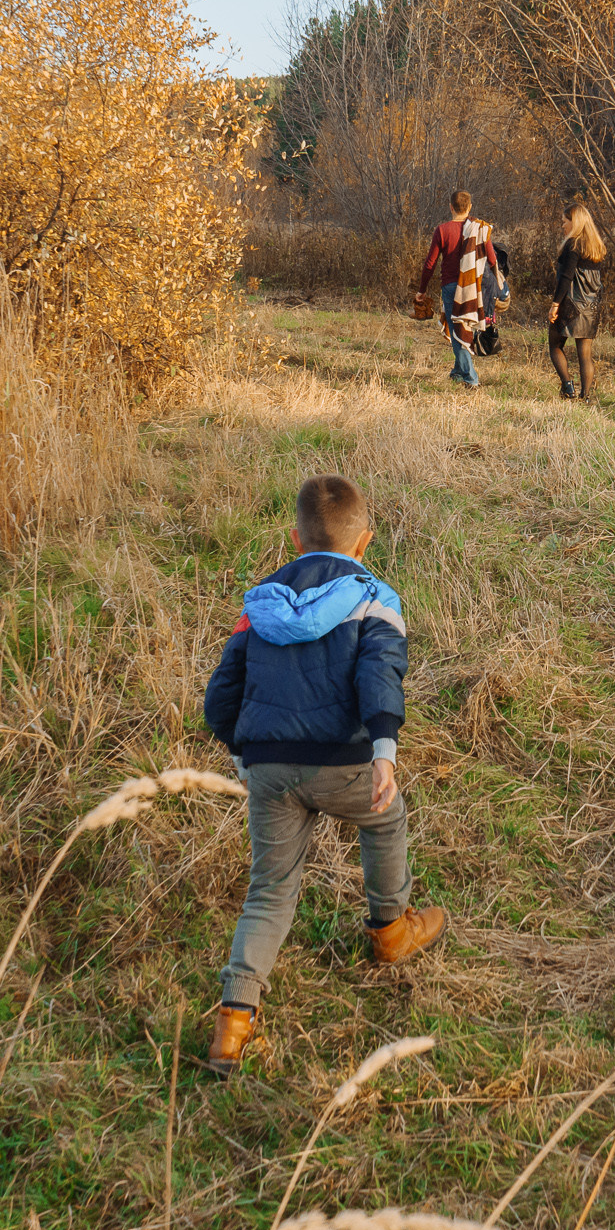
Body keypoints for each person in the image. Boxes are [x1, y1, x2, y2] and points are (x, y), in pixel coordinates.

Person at [200, 474, 448, 1074]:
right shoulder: (376, 597)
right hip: (344, 761)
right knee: (384, 818)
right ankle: (391, 930)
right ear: (365, 541)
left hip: (268, 765)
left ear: (295, 539)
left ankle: (234, 1023)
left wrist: (240, 752)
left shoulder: (260, 602)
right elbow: (379, 672)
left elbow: (223, 690)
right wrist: (384, 748)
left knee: (269, 890)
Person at [415, 191, 504, 388]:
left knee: (458, 332)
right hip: (472, 286)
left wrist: (422, 290)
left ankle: (471, 379)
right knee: (462, 327)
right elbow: (492, 259)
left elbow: (430, 263)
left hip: (450, 287)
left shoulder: (442, 230)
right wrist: (499, 284)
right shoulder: (479, 229)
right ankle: (457, 372)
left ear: (451, 207)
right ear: (469, 207)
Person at [546, 202, 607, 400]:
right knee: (585, 354)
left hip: (570, 304)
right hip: (592, 306)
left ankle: (568, 386)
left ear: (575, 222)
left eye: (565, 221)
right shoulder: (596, 246)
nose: (562, 225)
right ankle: (586, 396)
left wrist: (555, 304)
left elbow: (566, 278)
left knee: (555, 345)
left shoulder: (572, 245)